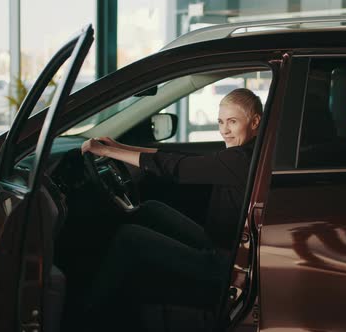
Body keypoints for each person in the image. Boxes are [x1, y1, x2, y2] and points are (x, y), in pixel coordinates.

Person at [79, 88, 262, 327]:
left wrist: (107, 151)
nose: (224, 130)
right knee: (151, 209)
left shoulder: (241, 160)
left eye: (232, 122)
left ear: (255, 121)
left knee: (129, 237)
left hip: (225, 266)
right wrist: (120, 146)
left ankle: (88, 317)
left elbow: (177, 167)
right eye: (220, 122)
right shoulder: (247, 152)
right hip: (222, 244)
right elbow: (180, 158)